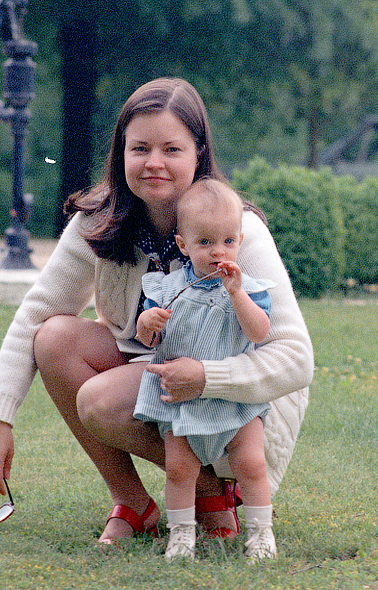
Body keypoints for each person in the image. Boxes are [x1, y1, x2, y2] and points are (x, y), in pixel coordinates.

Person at [0, 77, 313, 548]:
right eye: (140, 149)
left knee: (99, 400)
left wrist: (207, 377)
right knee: (53, 336)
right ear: (121, 153)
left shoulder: (238, 231)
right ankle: (134, 503)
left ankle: (212, 489)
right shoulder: (98, 222)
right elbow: (36, 313)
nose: (153, 163)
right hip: (156, 369)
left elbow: (296, 357)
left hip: (237, 397)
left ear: (198, 153)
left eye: (171, 149)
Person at [133, 178, 277, 560]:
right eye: (205, 243)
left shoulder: (250, 289)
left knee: (251, 462)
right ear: (183, 245)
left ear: (240, 241)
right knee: (180, 469)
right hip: (180, 402)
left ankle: (262, 533)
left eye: (228, 242)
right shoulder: (164, 289)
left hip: (233, 400)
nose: (218, 252)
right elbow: (148, 342)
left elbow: (259, 332)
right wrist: (147, 324)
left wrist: (237, 294)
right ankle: (182, 534)